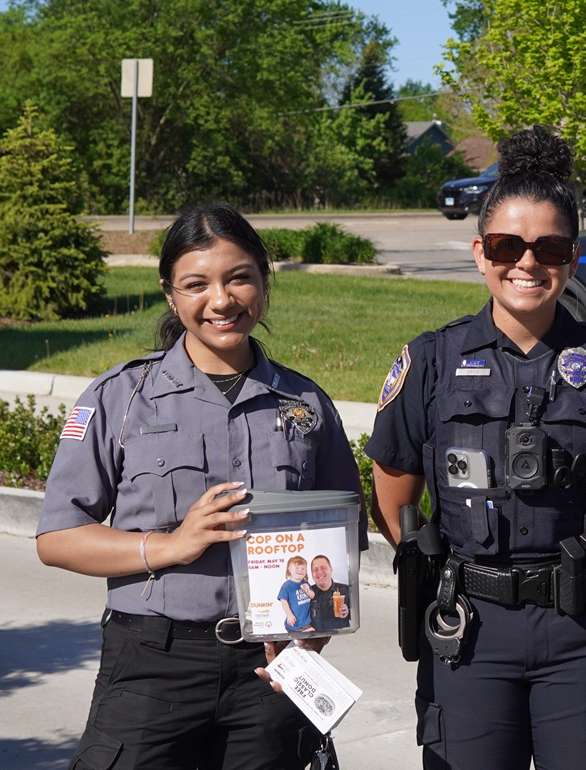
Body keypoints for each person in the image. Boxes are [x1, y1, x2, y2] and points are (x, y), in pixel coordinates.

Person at [365, 126, 586, 770]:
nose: (527, 263)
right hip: (470, 629)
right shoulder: (430, 361)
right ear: (481, 252)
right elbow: (393, 498)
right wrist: (454, 574)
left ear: (573, 257)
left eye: (549, 247)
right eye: (507, 245)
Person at [37, 203, 364, 770]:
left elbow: (340, 539)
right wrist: (169, 545)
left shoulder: (306, 405)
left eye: (239, 277)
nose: (221, 300)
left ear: (264, 281)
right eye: (196, 284)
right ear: (170, 293)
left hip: (270, 670)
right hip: (152, 660)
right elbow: (58, 536)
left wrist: (311, 636)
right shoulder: (120, 397)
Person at [309, 554, 352, 631]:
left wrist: (348, 612)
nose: (319, 572)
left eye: (323, 568)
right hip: (315, 639)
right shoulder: (306, 594)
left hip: (340, 638)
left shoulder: (346, 590)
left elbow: (359, 617)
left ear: (331, 569)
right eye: (315, 569)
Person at [277, 556, 315, 633]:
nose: (300, 570)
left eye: (303, 568)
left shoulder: (305, 583)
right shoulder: (287, 585)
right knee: (300, 636)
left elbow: (313, 596)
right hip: (295, 622)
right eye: (297, 568)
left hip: (306, 620)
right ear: (290, 569)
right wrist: (289, 615)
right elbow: (283, 600)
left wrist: (308, 590)